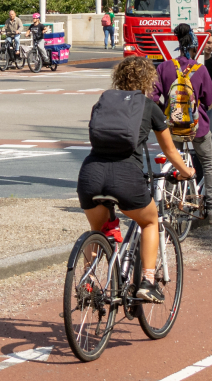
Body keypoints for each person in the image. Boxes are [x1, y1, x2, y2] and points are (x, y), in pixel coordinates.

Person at [78, 56, 195, 303]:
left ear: (118, 78)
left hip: (91, 174)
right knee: (150, 222)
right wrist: (187, 172)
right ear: (148, 80)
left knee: (97, 229)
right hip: (125, 177)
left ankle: (87, 281)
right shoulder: (149, 106)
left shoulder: (104, 101)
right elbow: (171, 151)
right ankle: (147, 282)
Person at [152, 24, 212, 223]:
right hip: (197, 126)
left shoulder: (164, 67)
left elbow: (153, 96)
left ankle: (170, 202)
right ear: (194, 49)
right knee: (208, 163)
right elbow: (209, 99)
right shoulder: (200, 70)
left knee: (174, 161)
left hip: (172, 126)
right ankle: (211, 208)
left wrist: (166, 109)